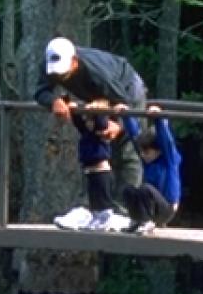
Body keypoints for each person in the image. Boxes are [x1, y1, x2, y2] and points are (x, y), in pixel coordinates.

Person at [36, 37, 148, 232]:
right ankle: (93, 208)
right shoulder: (49, 64)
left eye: (63, 72)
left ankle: (124, 212)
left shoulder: (97, 72)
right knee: (94, 150)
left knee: (127, 149)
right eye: (55, 73)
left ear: (74, 62)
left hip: (126, 88)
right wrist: (53, 101)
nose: (58, 77)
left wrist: (119, 125)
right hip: (97, 98)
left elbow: (123, 98)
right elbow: (40, 92)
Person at [51, 103, 141, 232]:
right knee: (94, 200)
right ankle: (96, 218)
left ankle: (107, 219)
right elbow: (79, 123)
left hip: (101, 173)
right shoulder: (86, 133)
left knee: (103, 200)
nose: (89, 124)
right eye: (88, 121)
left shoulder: (101, 133)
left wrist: (98, 110)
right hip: (90, 172)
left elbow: (101, 121)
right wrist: (74, 108)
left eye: (91, 121)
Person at [121, 107, 181, 236]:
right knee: (128, 190)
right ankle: (136, 220)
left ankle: (146, 221)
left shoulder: (169, 160)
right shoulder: (147, 160)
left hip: (167, 208)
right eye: (142, 152)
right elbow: (134, 135)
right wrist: (126, 115)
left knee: (146, 189)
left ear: (158, 151)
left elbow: (166, 141)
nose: (142, 155)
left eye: (146, 152)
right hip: (151, 206)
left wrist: (158, 119)